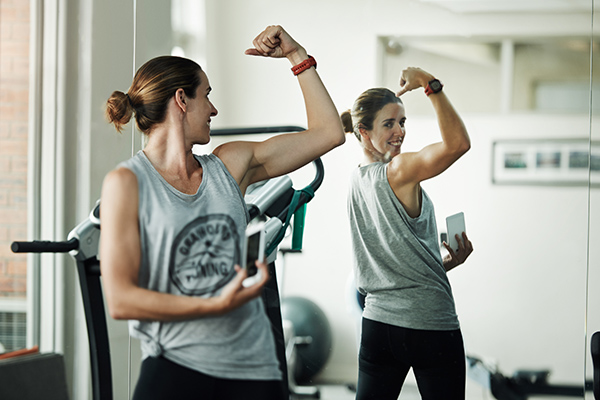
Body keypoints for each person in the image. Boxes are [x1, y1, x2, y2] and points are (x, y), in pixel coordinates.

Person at [101, 25, 344, 400]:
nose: (213, 109)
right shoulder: (128, 182)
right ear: (182, 99)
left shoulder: (230, 165)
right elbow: (121, 300)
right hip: (175, 365)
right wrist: (213, 305)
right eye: (207, 96)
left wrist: (297, 55)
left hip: (254, 366)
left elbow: (329, 133)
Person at [341, 67, 473, 400]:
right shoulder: (397, 170)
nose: (399, 132)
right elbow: (457, 144)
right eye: (389, 124)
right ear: (363, 131)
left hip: (378, 326)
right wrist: (431, 85)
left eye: (402, 123)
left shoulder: (357, 180)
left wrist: (447, 262)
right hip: (430, 323)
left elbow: (398, 267)